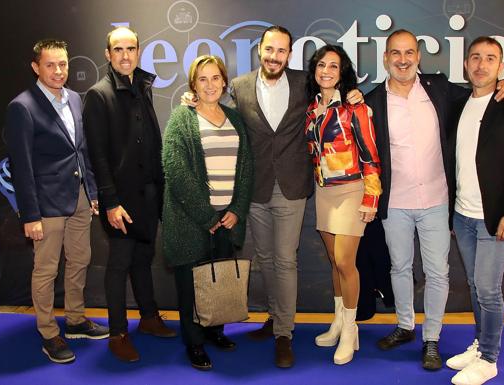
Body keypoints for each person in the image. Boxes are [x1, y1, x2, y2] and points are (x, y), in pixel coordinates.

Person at [183, 25, 363, 368]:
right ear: (260, 50)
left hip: (293, 188)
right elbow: (215, 108)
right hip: (256, 188)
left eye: (281, 51)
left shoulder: (303, 83)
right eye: (269, 50)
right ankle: (274, 317)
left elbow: (333, 90)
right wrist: (189, 99)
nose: (274, 56)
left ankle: (285, 332)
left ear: (289, 55)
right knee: (265, 258)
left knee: (285, 260)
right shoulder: (238, 86)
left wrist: (354, 93)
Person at [364, 29, 504, 370]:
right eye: (395, 53)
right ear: (386, 58)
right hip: (395, 203)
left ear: (419, 56)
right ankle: (405, 326)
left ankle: (431, 338)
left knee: (437, 273)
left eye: (409, 53)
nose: (403, 59)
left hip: (437, 201)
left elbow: (483, 91)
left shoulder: (440, 89)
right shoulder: (372, 99)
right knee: (399, 268)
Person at [4, 39, 109, 364]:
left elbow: (82, 151)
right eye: (50, 65)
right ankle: (49, 332)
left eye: (62, 64)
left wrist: (91, 193)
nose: (58, 71)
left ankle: (75, 320)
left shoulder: (75, 99)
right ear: (36, 67)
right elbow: (21, 165)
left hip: (78, 197)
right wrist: (30, 215)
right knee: (46, 269)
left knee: (80, 259)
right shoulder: (22, 106)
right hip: (45, 204)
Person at [446, 36, 504, 385]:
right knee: (474, 283)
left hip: (497, 217)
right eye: (475, 58)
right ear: (466, 64)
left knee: (487, 287)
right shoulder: (458, 104)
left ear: (501, 66)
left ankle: (489, 358)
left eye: (490, 58)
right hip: (463, 216)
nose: (481, 64)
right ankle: (479, 343)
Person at [83, 26, 176, 363]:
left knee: (143, 258)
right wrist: (110, 202)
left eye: (131, 49)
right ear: (108, 55)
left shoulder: (142, 87)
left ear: (139, 52)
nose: (125, 55)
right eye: (118, 49)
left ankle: (149, 318)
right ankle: (118, 333)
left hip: (148, 195)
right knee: (118, 265)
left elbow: (150, 142)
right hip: (120, 200)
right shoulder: (99, 94)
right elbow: (98, 155)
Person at [162, 55, 253, 371]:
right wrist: (207, 217)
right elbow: (176, 171)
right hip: (192, 220)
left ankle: (215, 331)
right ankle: (194, 343)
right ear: (192, 85)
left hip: (227, 218)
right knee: (191, 286)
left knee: (218, 280)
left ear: (224, 82)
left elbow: (246, 168)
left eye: (216, 78)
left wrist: (237, 210)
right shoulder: (181, 118)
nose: (210, 85)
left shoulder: (234, 118)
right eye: (203, 79)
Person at [304, 45, 382, 365]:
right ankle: (338, 321)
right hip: (324, 191)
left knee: (345, 261)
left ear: (342, 72)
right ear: (314, 71)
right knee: (333, 263)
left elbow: (371, 155)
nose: (326, 71)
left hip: (352, 190)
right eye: (321, 65)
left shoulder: (355, 107)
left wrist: (371, 197)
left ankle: (351, 331)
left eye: (333, 67)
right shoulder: (311, 108)